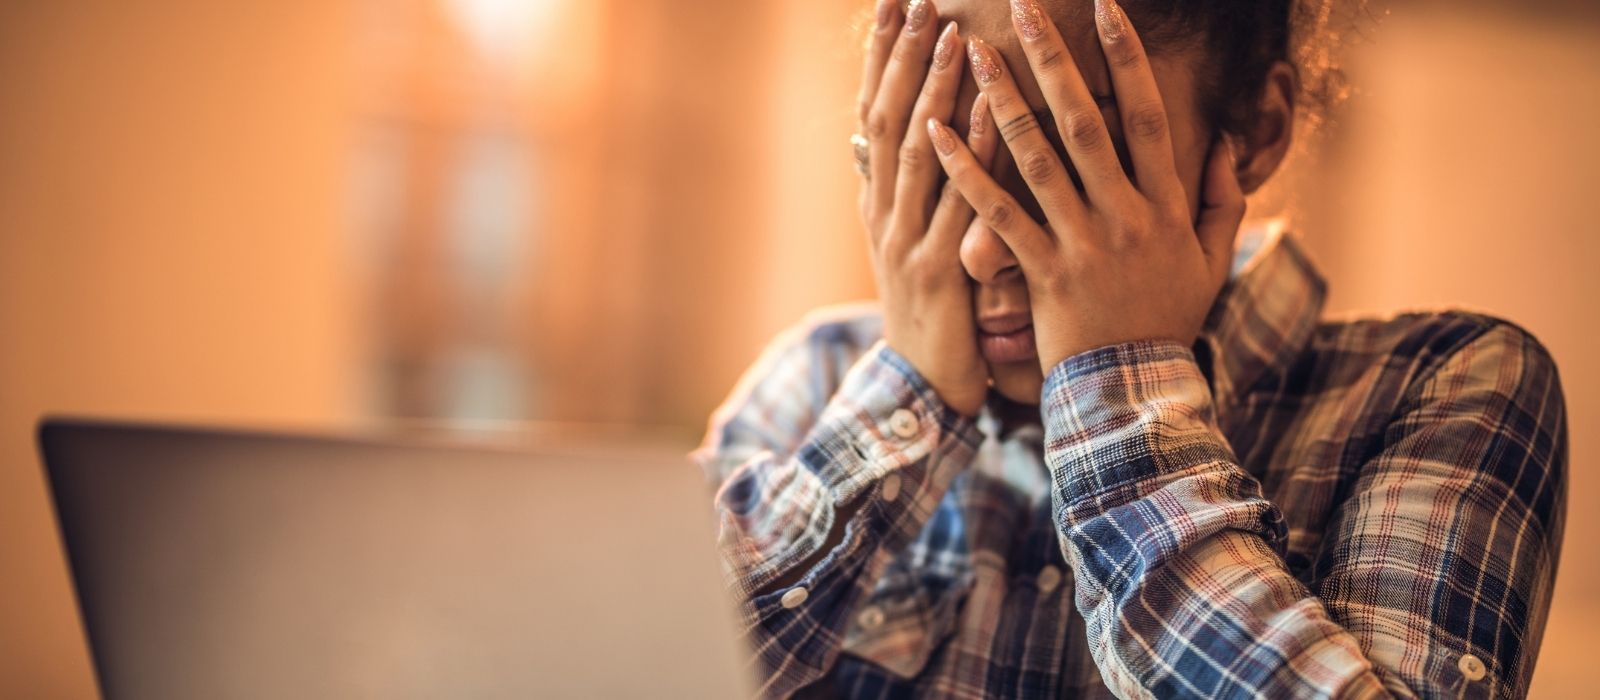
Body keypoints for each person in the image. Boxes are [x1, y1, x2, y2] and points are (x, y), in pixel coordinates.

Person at [690, 0, 1568, 696]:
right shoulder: (817, 377)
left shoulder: (1446, 384)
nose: (982, 249)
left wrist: (1117, 383)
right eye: (942, 154)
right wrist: (906, 395)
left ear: (1257, 132)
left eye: (1067, 162)